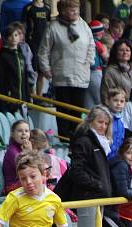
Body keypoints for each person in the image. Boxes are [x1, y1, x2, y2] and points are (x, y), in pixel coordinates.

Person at [67, 106, 113, 227]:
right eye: (99, 122)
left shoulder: (99, 142)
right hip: (88, 197)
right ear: (90, 122)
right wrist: (98, 185)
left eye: (105, 123)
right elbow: (76, 171)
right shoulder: (85, 141)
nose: (102, 126)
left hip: (97, 197)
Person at [37, 0, 94, 139]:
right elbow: (43, 51)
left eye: (76, 9)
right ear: (62, 11)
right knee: (63, 111)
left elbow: (91, 46)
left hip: (81, 75)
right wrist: (46, 69)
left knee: (77, 111)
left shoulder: (83, 25)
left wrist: (88, 63)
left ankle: (76, 139)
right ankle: (63, 138)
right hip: (61, 75)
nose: (75, 12)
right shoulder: (53, 27)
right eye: (71, 9)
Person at [0, 21, 32, 112]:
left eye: (16, 35)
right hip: (9, 98)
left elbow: (24, 78)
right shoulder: (4, 57)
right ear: (6, 38)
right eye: (11, 36)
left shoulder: (21, 55)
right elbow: (0, 79)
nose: (14, 38)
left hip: (22, 99)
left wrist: (27, 97)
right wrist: (5, 96)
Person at [22, 0, 51, 97]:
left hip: (44, 43)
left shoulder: (47, 8)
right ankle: (31, 94)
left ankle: (39, 96)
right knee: (31, 70)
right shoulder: (28, 8)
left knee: (41, 71)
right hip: (32, 42)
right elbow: (23, 25)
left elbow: (50, 24)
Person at [100, 39, 132, 105]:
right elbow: (106, 95)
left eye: (127, 50)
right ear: (115, 53)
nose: (125, 52)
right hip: (116, 109)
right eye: (121, 50)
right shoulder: (110, 71)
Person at [1, 119, 31, 193]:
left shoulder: (23, 148)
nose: (24, 133)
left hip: (24, 182)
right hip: (12, 187)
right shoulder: (12, 151)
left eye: (26, 131)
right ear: (13, 134)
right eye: (20, 131)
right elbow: (26, 169)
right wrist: (29, 152)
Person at [103, 87, 126, 158]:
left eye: (122, 101)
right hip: (103, 156)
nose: (118, 103)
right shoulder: (103, 118)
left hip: (115, 157)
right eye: (115, 100)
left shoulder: (120, 122)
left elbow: (120, 141)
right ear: (107, 101)